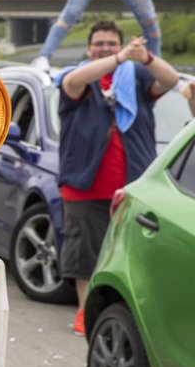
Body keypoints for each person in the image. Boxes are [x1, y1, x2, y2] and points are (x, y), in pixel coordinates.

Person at [55, 20, 179, 334]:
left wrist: (145, 58)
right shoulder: (78, 79)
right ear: (89, 48)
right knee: (85, 257)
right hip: (85, 187)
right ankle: (85, 312)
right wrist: (120, 57)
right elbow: (73, 81)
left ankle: (127, 319)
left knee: (134, 259)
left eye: (112, 43)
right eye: (100, 44)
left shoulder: (136, 77)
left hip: (132, 189)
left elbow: (171, 79)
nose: (106, 48)